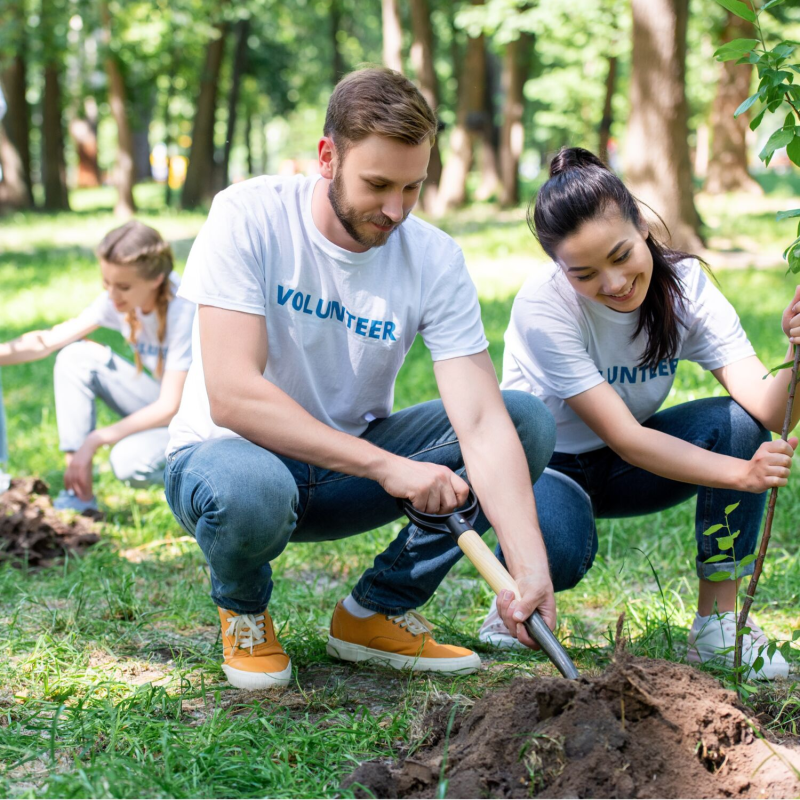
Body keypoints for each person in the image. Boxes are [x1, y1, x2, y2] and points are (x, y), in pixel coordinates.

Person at [163, 67, 574, 690]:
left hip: (338, 477)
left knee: (523, 420)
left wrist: (528, 567)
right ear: (328, 157)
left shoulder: (433, 257)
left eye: (413, 188)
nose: (395, 210)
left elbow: (484, 423)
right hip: (227, 462)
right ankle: (244, 613)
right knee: (252, 491)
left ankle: (375, 612)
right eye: (377, 184)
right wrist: (388, 468)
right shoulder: (246, 215)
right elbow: (233, 396)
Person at [478, 147, 797, 679]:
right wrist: (744, 474)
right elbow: (626, 436)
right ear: (560, 269)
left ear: (644, 227)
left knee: (740, 423)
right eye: (585, 273)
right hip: (546, 468)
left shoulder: (687, 287)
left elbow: (765, 402)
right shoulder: (544, 305)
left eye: (622, 255)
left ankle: (717, 626)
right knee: (561, 547)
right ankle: (517, 594)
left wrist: (796, 352)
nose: (614, 283)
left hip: (628, 470)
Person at [0, 220, 195, 511]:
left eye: (123, 287)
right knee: (74, 357)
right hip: (160, 400)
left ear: (156, 279)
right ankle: (79, 496)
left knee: (127, 461)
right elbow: (47, 341)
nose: (112, 295)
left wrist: (95, 440)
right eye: (106, 284)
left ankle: (206, 485)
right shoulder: (118, 301)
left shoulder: (185, 307)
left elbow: (170, 406)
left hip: (196, 419)